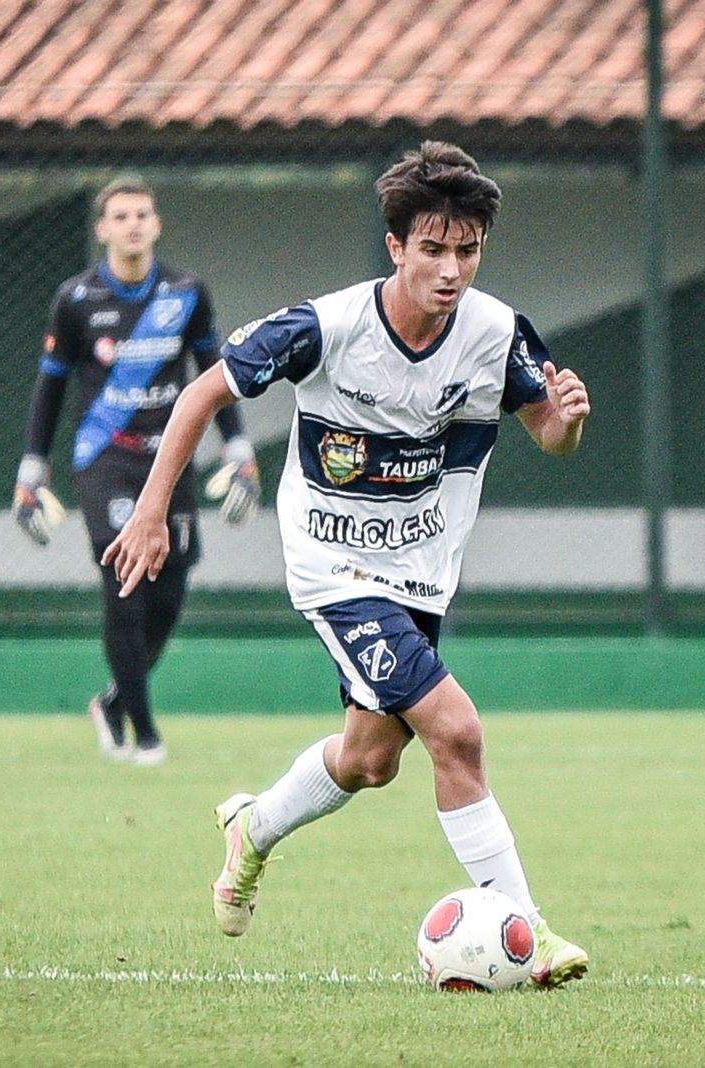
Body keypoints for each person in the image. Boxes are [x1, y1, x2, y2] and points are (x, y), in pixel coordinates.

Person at [102, 141, 591, 986]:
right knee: (457, 732)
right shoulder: (326, 327)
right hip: (334, 568)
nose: (451, 269)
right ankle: (531, 934)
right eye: (432, 249)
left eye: (467, 250)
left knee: (371, 759)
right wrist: (151, 511)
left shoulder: (495, 331)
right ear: (396, 246)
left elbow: (547, 431)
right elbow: (202, 393)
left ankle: (251, 830)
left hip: (422, 570)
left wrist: (569, 418)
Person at [13, 176, 260, 767]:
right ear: (102, 229)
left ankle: (113, 703)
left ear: (156, 224)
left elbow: (214, 376)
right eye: (120, 216)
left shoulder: (186, 293)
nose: (132, 225)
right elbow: (50, 387)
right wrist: (31, 471)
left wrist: (240, 452)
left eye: (142, 214)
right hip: (104, 458)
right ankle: (145, 734)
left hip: (168, 459)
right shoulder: (74, 300)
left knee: (169, 594)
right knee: (125, 584)